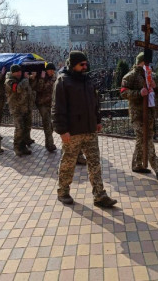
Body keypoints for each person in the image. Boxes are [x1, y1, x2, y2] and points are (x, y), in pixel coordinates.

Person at [52, 50, 117, 208]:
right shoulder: (63, 81)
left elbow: (95, 103)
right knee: (68, 163)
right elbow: (57, 108)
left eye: (86, 64)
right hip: (72, 132)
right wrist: (62, 130)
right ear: (73, 65)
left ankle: (99, 195)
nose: (85, 66)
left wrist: (98, 120)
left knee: (95, 163)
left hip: (90, 130)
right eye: (82, 64)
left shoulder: (87, 80)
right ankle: (63, 191)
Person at [121, 52, 158, 179]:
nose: (148, 65)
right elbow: (123, 92)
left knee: (141, 140)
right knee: (145, 138)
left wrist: (156, 86)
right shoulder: (131, 76)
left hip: (150, 113)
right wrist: (138, 93)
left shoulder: (152, 76)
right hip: (137, 114)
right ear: (141, 62)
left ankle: (137, 165)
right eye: (146, 63)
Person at [5, 64, 36, 157]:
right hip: (16, 109)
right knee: (19, 128)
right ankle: (17, 147)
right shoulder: (9, 81)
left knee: (26, 128)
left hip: (26, 108)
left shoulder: (22, 80)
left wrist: (31, 78)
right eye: (17, 72)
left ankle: (23, 147)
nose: (19, 73)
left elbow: (30, 91)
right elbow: (18, 89)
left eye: (20, 71)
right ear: (12, 72)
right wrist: (26, 79)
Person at [32, 62, 58, 152]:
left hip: (51, 103)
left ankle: (48, 143)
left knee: (50, 126)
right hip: (42, 103)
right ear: (46, 70)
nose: (52, 72)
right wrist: (42, 78)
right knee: (47, 123)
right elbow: (38, 88)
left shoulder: (55, 77)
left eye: (53, 70)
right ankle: (50, 145)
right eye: (50, 70)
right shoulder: (41, 77)